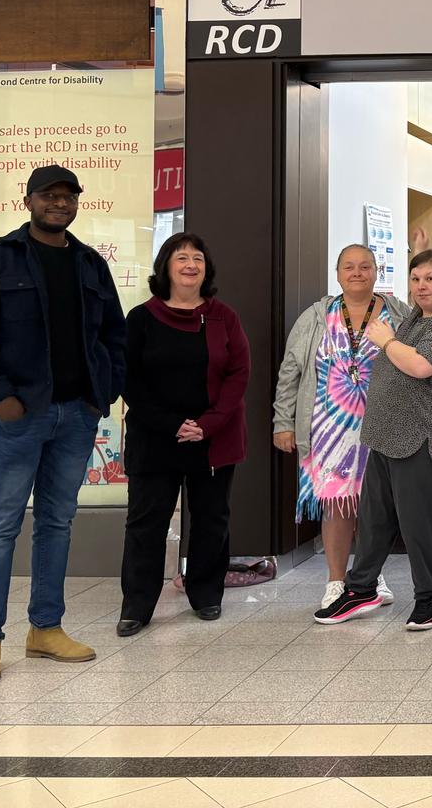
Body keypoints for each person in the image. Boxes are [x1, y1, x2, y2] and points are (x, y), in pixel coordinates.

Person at [0, 164, 127, 688]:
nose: (59, 203)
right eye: (49, 195)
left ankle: (45, 628)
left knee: (56, 523)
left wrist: (103, 393)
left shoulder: (90, 264)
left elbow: (113, 337)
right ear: (28, 201)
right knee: (0, 526)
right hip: (17, 417)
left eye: (68, 196)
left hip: (75, 415)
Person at [317, 250, 432, 630]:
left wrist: (387, 341)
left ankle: (428, 598)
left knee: (419, 524)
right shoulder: (415, 320)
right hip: (386, 437)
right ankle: (361, 588)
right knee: (374, 521)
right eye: (415, 278)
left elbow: (421, 366)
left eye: (431, 279)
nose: (421, 286)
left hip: (424, 437)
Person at [117, 233, 251, 636]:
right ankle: (137, 605)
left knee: (212, 519)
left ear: (206, 269)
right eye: (181, 258)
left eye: (198, 258)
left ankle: (206, 594)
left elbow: (238, 373)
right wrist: (171, 424)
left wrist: (207, 424)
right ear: (166, 266)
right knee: (146, 524)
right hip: (155, 437)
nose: (191, 265)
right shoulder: (141, 318)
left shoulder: (223, 316)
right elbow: (129, 379)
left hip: (213, 437)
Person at [274, 244, 406, 610]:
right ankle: (335, 582)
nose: (357, 272)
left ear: (377, 272)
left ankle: (369, 576)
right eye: (349, 266)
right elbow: (290, 371)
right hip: (329, 428)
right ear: (337, 274)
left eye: (365, 266)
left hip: (384, 425)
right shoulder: (316, 317)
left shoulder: (398, 314)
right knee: (337, 505)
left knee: (376, 506)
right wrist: (283, 422)